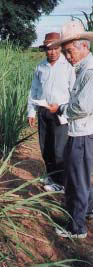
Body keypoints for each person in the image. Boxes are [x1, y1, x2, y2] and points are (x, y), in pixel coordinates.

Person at [47, 21, 93, 239]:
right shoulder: (82, 69)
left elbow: (82, 107)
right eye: (65, 52)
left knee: (76, 183)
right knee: (79, 178)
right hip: (80, 133)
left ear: (84, 46)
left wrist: (62, 108)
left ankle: (77, 228)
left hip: (82, 135)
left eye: (69, 51)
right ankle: (88, 209)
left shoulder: (90, 72)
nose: (67, 56)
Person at [27, 32, 75, 192]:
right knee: (45, 147)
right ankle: (51, 176)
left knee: (59, 150)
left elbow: (74, 93)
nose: (52, 52)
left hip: (61, 113)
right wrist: (31, 112)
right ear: (45, 50)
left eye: (55, 48)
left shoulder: (68, 67)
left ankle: (61, 184)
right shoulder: (41, 67)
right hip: (43, 111)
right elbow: (34, 90)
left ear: (60, 48)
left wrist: (68, 111)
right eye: (48, 49)